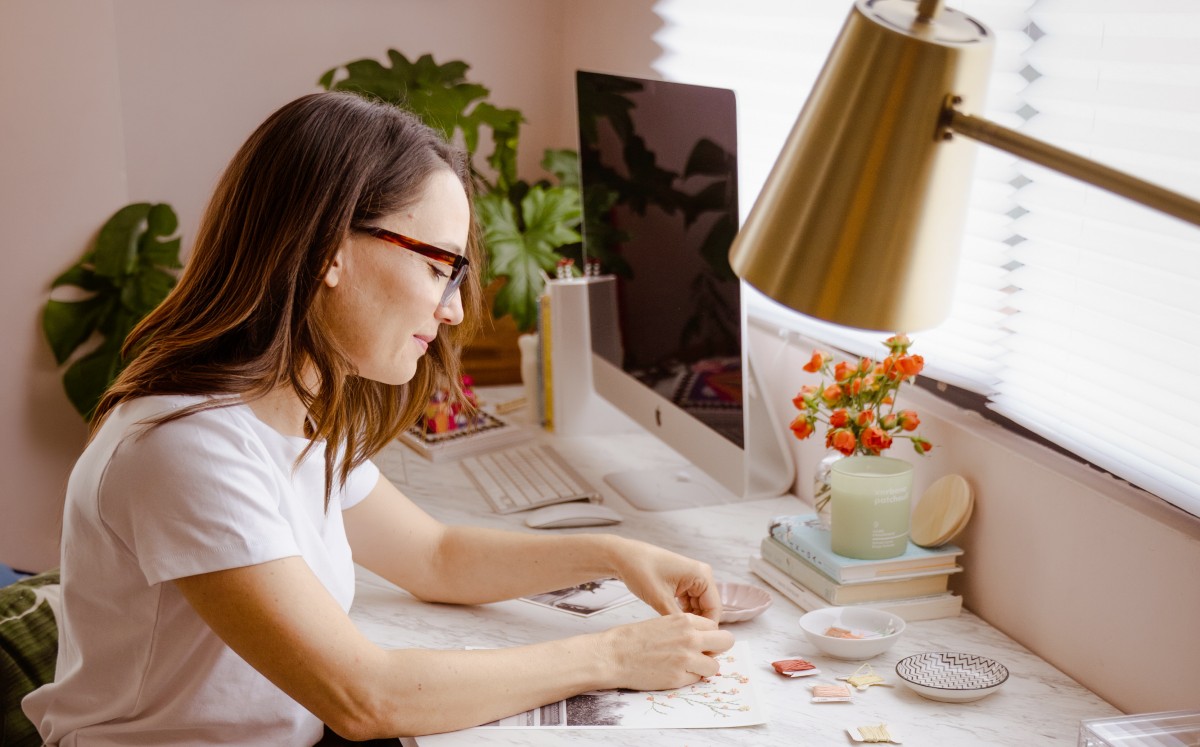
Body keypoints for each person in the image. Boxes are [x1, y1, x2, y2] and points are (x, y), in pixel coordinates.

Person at [22, 91, 733, 745]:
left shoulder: (290, 406)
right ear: (330, 248)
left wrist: (616, 553)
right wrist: (609, 653)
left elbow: (434, 556)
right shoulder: (188, 447)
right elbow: (364, 697)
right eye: (439, 267)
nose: (453, 309)